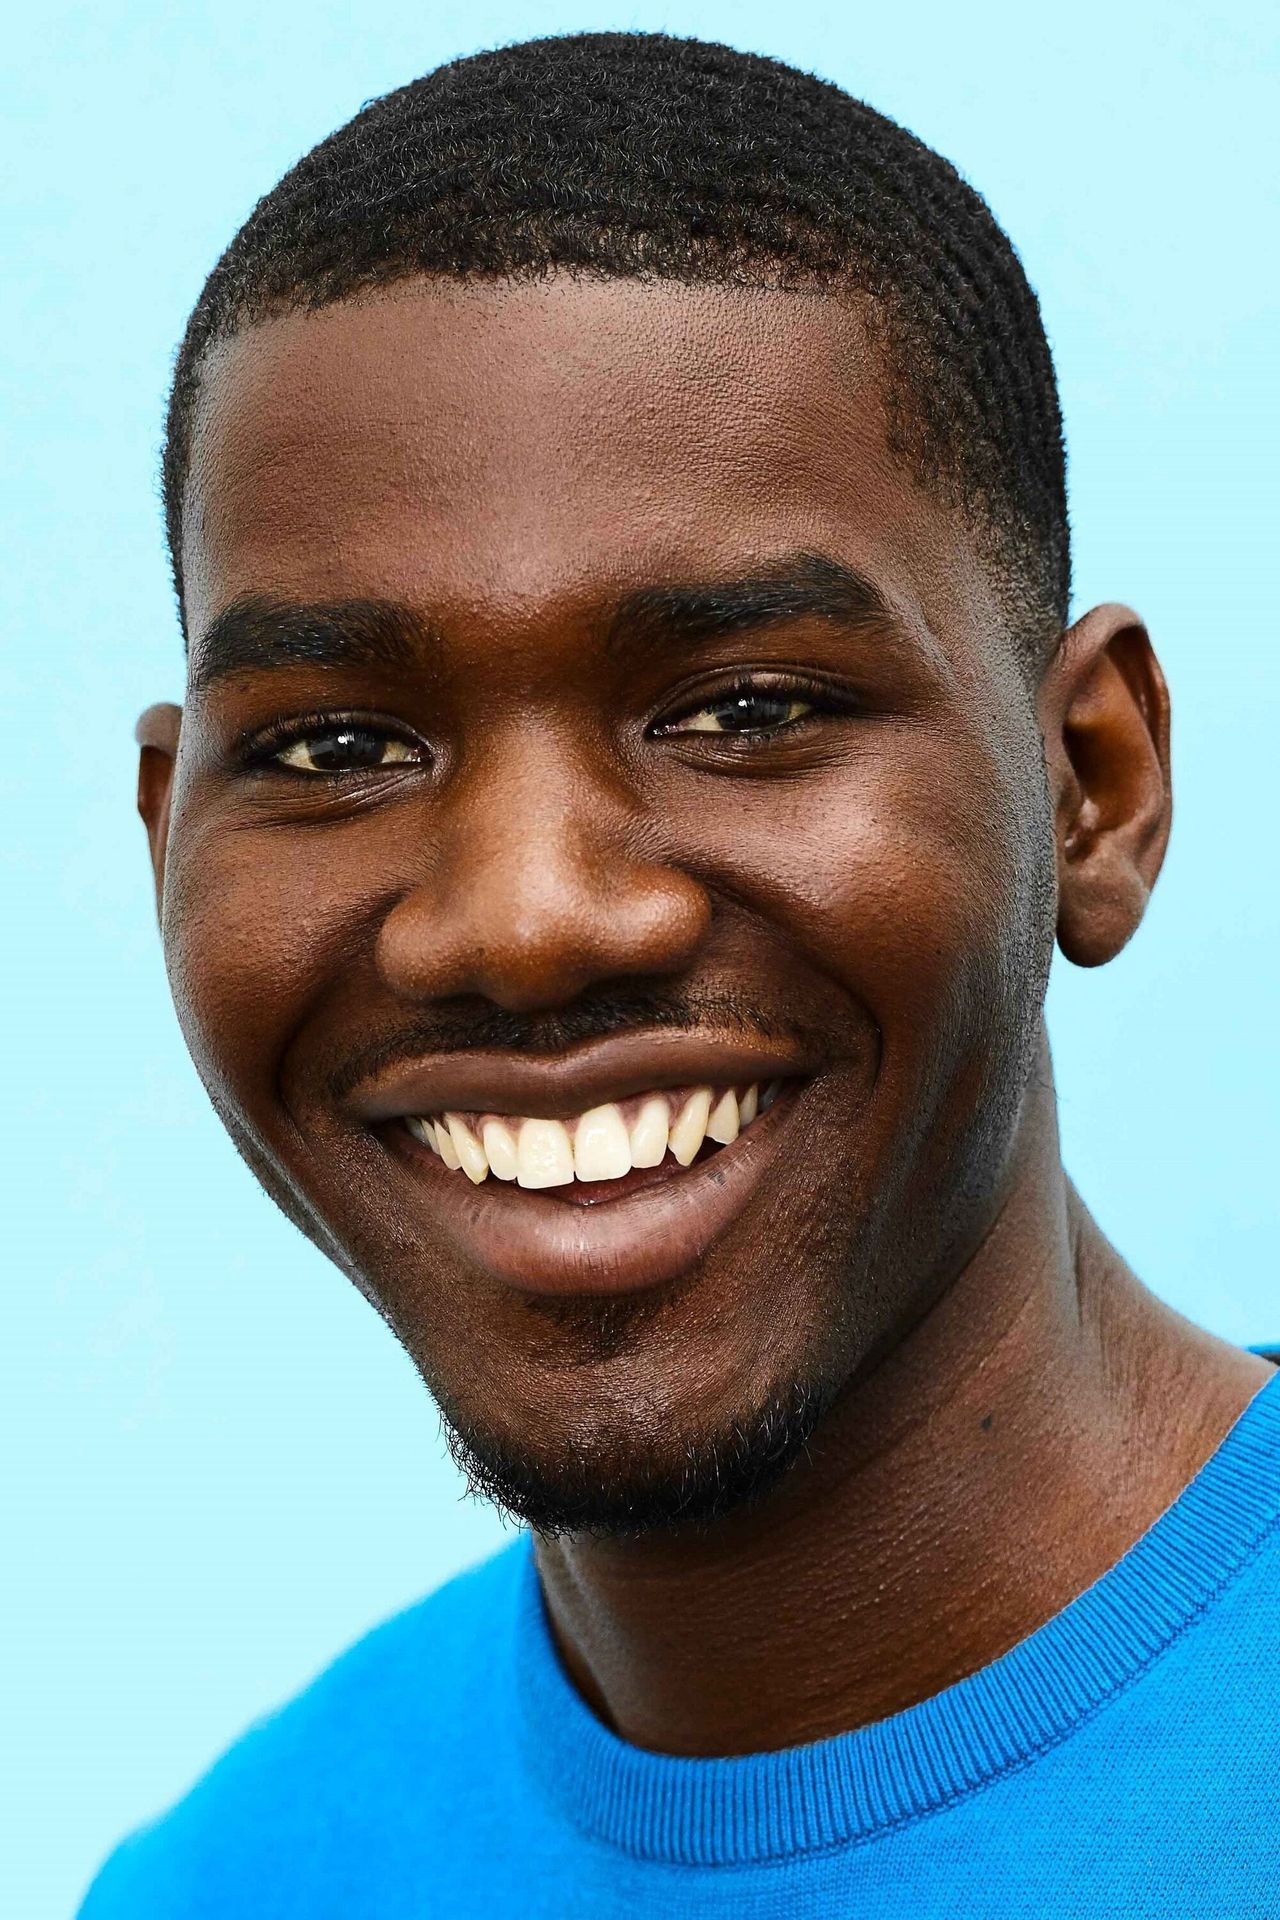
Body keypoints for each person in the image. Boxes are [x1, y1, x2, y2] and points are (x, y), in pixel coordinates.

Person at [80, 31, 1280, 1918]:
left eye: (748, 708)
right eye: (336, 747)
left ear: (1093, 787)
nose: (525, 922)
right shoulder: (224, 1887)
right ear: (171, 846)